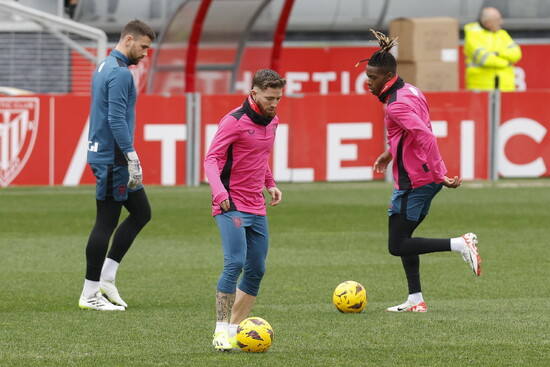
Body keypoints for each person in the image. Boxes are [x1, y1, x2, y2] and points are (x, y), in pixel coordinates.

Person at [357, 29, 482, 313]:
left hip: (417, 180)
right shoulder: (410, 90)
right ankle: (416, 299)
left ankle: (460, 244)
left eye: (372, 78)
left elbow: (425, 135)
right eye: (367, 76)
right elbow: (414, 131)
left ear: (387, 77)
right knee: (406, 239)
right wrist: (391, 153)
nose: (368, 83)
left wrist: (440, 174)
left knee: (397, 244)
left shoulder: (396, 105)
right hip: (423, 177)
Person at [204, 69, 285, 350]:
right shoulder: (233, 122)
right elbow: (211, 160)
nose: (274, 103)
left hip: (256, 204)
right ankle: (219, 331)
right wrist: (219, 192)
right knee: (234, 263)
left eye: (278, 98)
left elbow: (260, 158)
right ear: (254, 93)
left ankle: (235, 328)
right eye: (269, 97)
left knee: (256, 269)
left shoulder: (273, 122)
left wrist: (270, 183)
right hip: (231, 204)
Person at [78, 20, 155, 311]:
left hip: (106, 155)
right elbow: (116, 119)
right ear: (129, 39)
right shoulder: (121, 74)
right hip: (114, 159)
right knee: (105, 222)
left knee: (141, 212)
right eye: (144, 46)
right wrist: (131, 155)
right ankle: (90, 293)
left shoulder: (103, 66)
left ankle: (107, 278)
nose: (146, 53)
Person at [464, 7, 522, 91]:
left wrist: (497, 54)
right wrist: (506, 62)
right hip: (481, 88)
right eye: (497, 20)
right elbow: (485, 59)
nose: (501, 22)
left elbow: (516, 54)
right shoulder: (473, 36)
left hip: (505, 87)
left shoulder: (502, 34)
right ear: (487, 23)